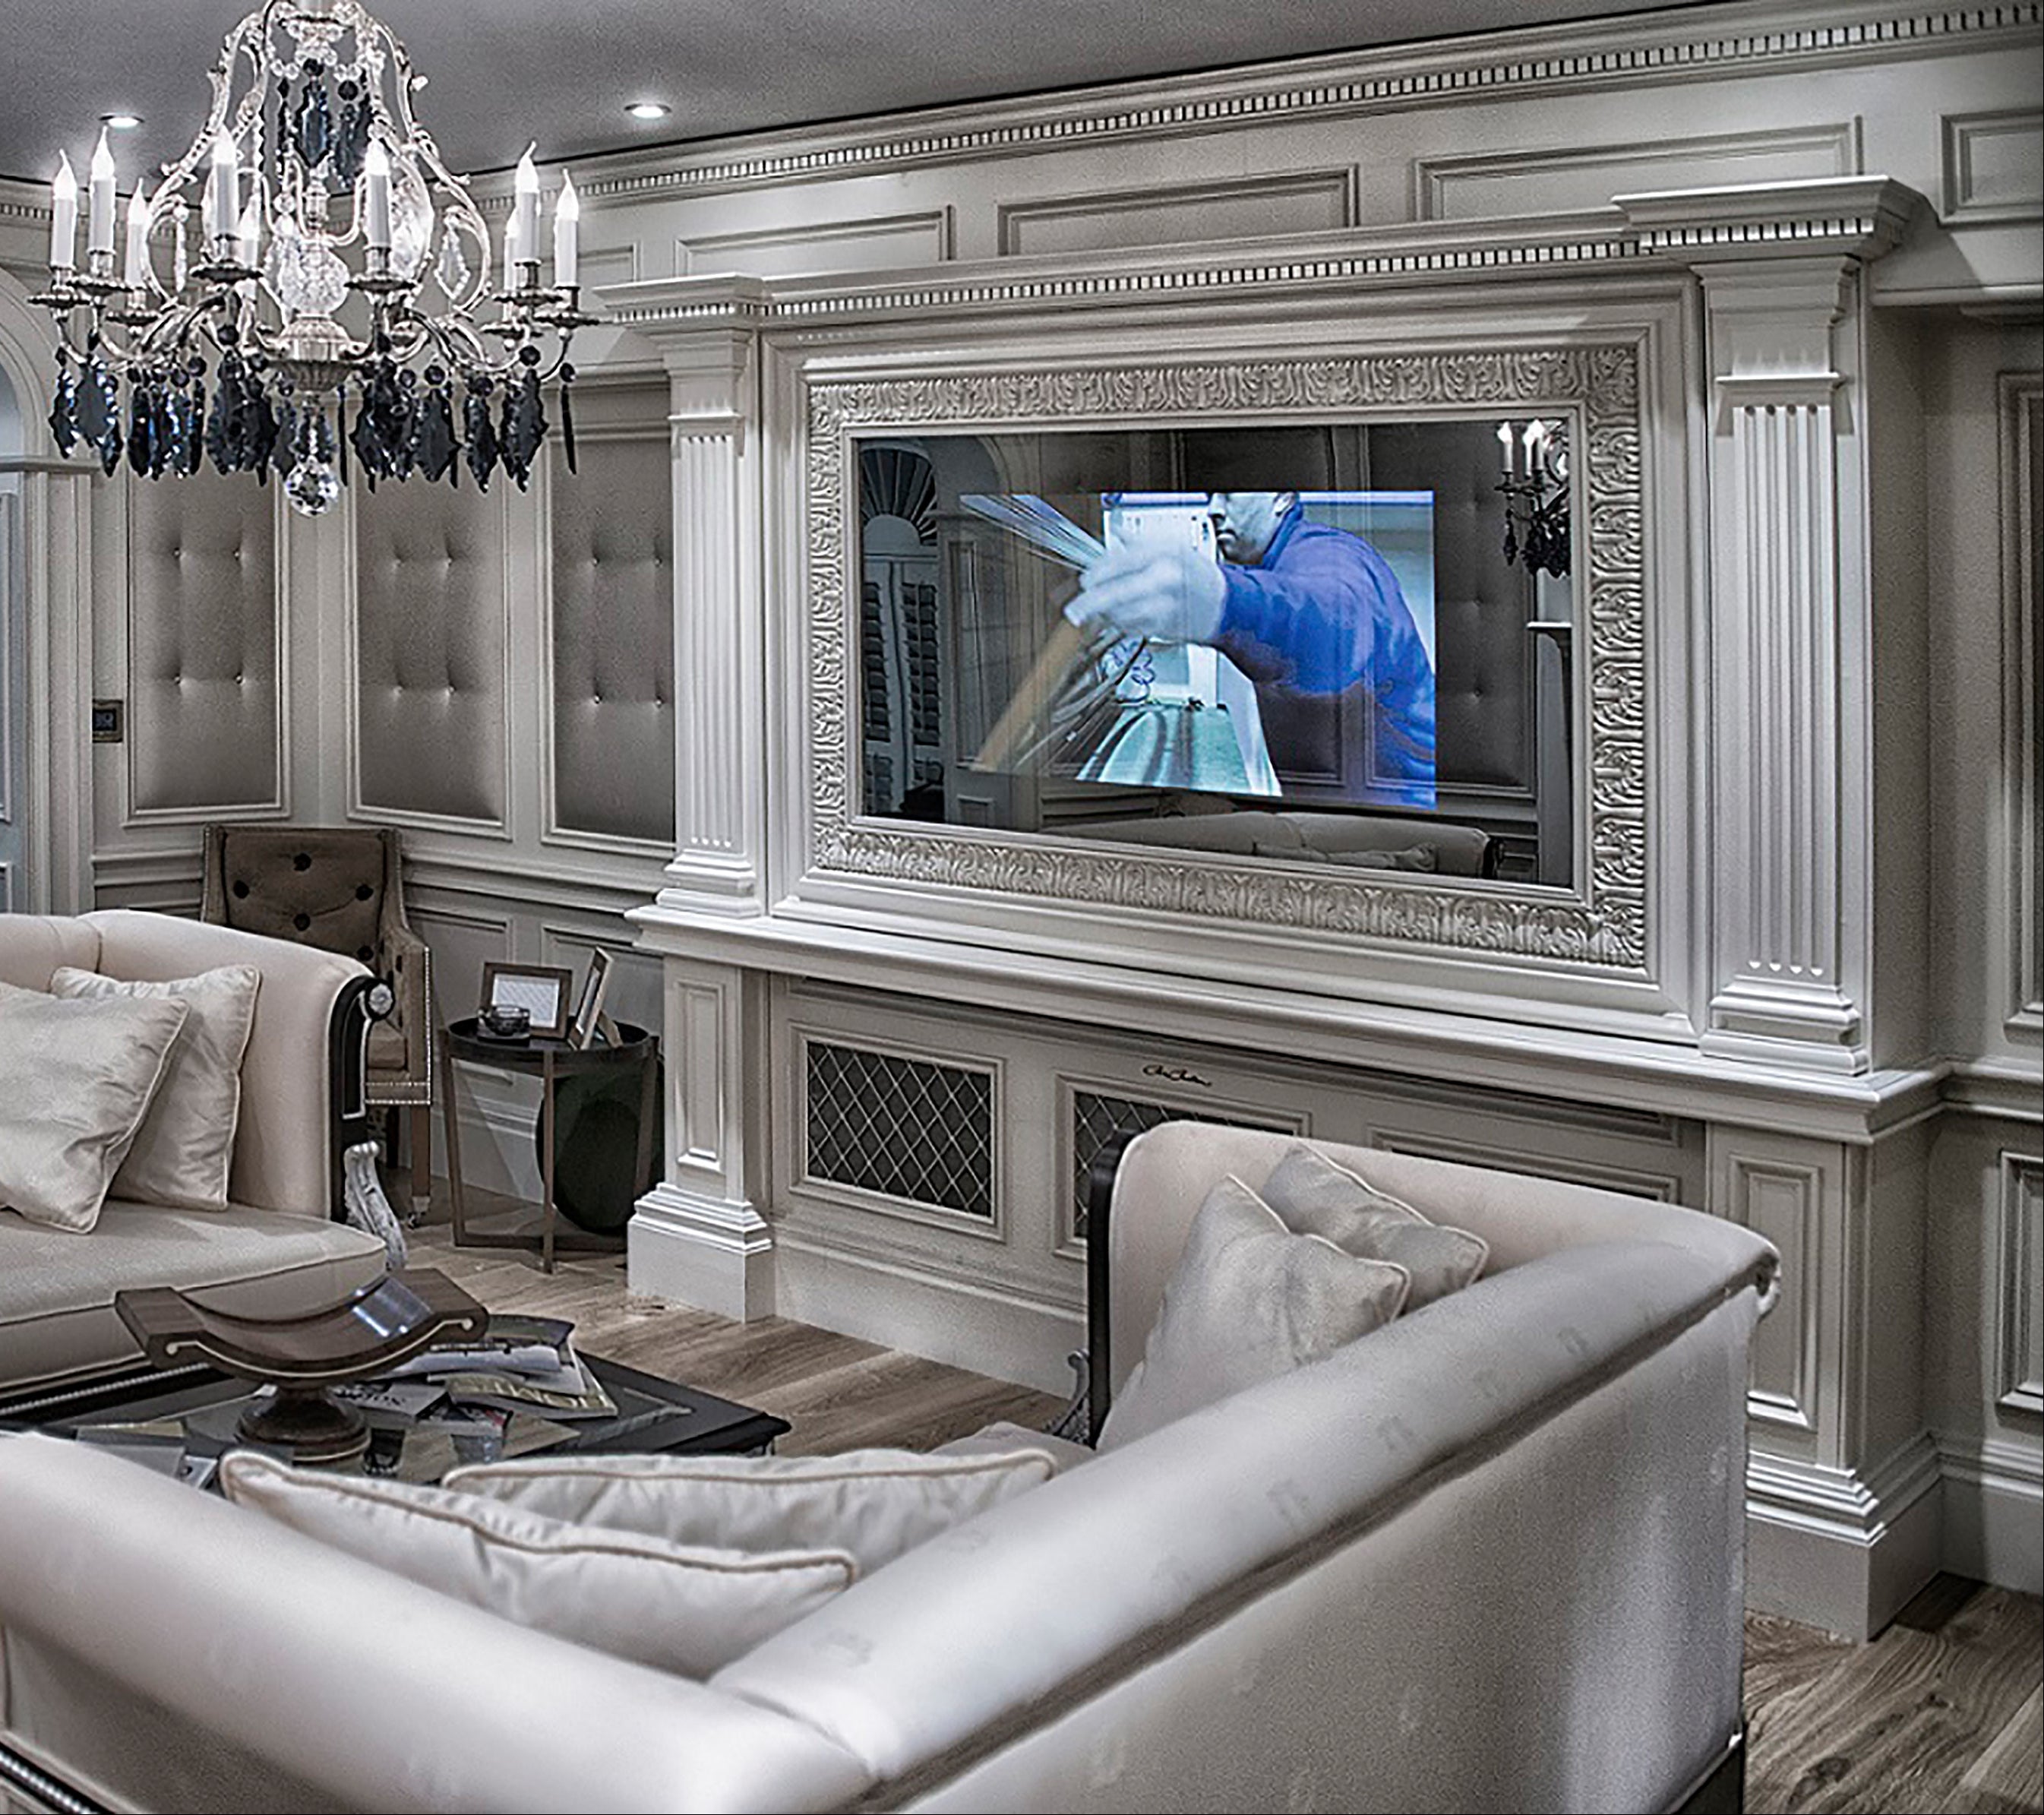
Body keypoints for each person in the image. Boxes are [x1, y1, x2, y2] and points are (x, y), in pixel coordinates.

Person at [1067, 491, 1436, 799]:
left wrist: (1225, 602)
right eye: (1212, 497)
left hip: (1406, 814)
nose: (1214, 510)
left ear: (1282, 499)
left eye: (1229, 496)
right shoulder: (1267, 565)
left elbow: (1336, 633)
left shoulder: (1331, 554)